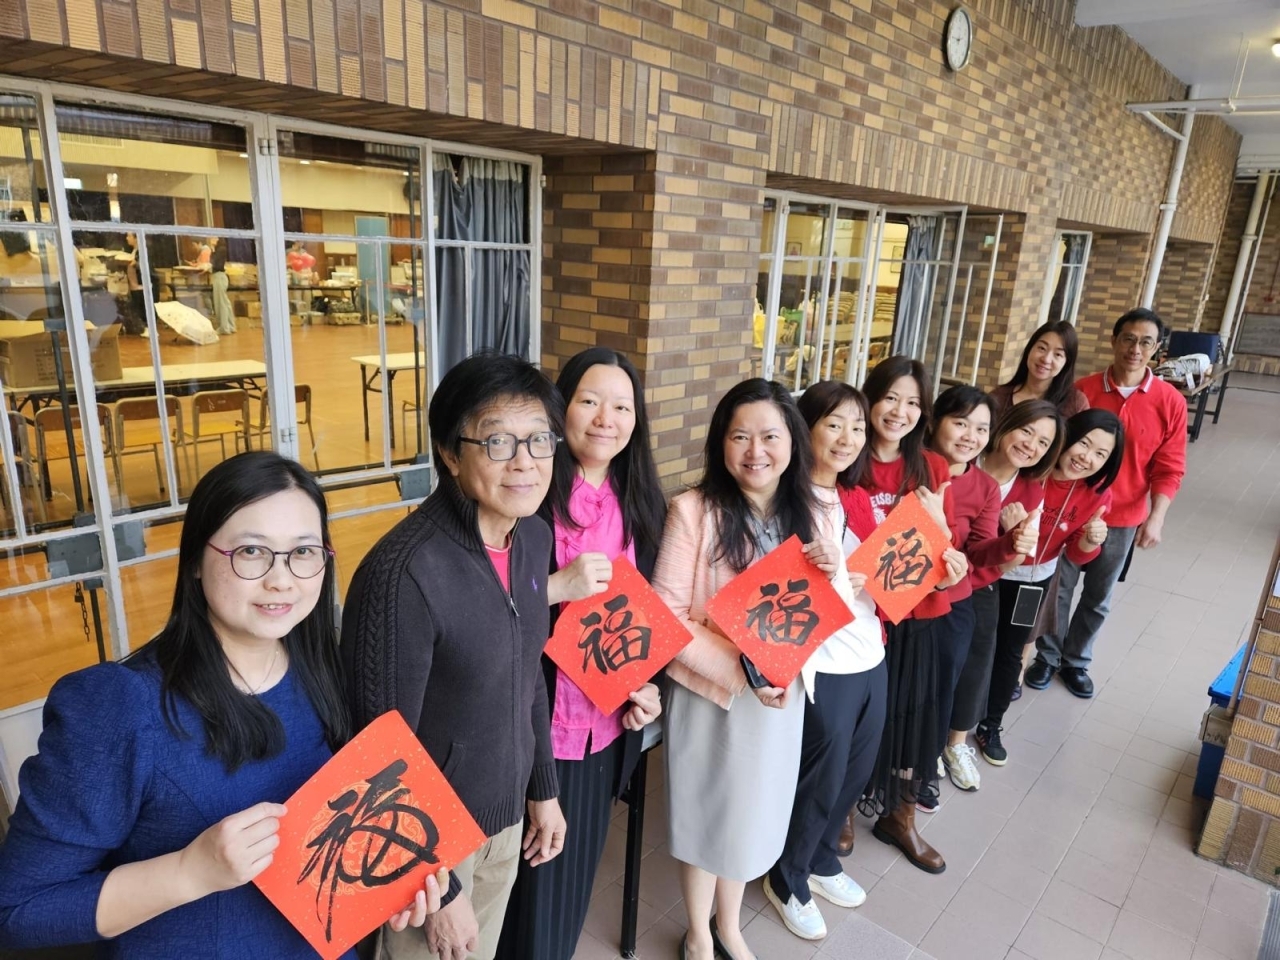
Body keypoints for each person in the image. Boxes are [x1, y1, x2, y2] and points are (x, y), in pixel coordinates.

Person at [0, 451, 446, 958]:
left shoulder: (322, 665)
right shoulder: (120, 706)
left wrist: (387, 883)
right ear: (195, 559)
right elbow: (18, 909)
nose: (282, 579)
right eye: (252, 551)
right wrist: (188, 871)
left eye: (303, 551)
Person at [342, 354, 568, 960]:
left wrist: (543, 787)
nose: (525, 461)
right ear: (449, 452)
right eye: (497, 442)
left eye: (539, 439)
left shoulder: (532, 536)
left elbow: (528, 671)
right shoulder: (403, 574)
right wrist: (438, 888)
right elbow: (377, 750)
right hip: (429, 851)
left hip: (505, 820)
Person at [651, 378, 846, 960]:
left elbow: (825, 609)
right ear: (721, 443)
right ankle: (697, 932)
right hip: (713, 693)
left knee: (752, 816)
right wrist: (743, 670)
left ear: (793, 441)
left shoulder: (814, 510)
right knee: (705, 815)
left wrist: (835, 570)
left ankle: (729, 924)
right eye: (739, 436)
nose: (755, 451)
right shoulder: (693, 511)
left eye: (769, 436)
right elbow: (664, 616)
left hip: (781, 696)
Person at [496, 348, 666, 960]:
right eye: (590, 401)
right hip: (530, 726)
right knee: (519, 893)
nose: (605, 419)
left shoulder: (642, 503)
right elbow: (481, 605)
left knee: (569, 883)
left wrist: (648, 687)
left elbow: (648, 617)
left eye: (622, 407)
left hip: (605, 728)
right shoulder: (525, 492)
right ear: (559, 408)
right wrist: (554, 588)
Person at [762, 381, 887, 942]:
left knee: (857, 767)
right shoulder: (784, 502)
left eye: (857, 427)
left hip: (869, 649)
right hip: (822, 660)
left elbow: (881, 574)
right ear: (804, 428)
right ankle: (787, 876)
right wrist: (835, 575)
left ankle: (820, 857)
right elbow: (776, 597)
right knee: (821, 774)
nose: (847, 438)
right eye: (834, 424)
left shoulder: (855, 498)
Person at [1029, 308, 1187, 698]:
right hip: (1070, 509)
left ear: (1157, 348)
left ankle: (1076, 661)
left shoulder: (1170, 401)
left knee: (1098, 597)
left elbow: (1170, 466)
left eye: (1146, 342)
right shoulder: (1082, 392)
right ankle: (1047, 657)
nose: (1136, 349)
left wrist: (1156, 517)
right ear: (1114, 340)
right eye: (1128, 339)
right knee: (1058, 589)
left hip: (1123, 518)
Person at [850, 356, 968, 875]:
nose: (900, 411)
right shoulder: (847, 456)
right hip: (860, 616)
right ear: (870, 398)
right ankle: (843, 807)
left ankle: (900, 815)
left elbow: (949, 548)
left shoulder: (932, 466)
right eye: (891, 398)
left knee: (913, 714)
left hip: (919, 613)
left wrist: (942, 528)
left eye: (914, 402)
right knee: (859, 718)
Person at [979, 411, 1123, 760]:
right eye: (1084, 443)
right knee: (976, 647)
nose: (1086, 457)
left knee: (1011, 652)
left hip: (1033, 580)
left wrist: (1091, 540)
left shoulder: (1096, 495)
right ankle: (954, 722)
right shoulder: (1028, 470)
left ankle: (991, 725)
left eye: (1100, 454)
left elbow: (1076, 553)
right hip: (988, 572)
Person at [926, 387, 1038, 796]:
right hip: (900, 598)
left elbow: (978, 550)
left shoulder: (986, 486)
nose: (970, 436)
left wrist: (1011, 542)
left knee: (955, 675)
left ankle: (935, 753)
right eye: (960, 423)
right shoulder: (912, 470)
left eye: (980, 428)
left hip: (956, 595)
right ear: (936, 421)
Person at [952, 401, 1065, 770]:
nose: (1031, 445)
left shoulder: (1032, 490)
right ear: (1006, 427)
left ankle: (985, 728)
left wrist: (1011, 535)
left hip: (1004, 580)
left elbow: (1016, 558)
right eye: (1026, 431)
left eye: (1043, 443)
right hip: (947, 578)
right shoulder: (966, 457)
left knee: (1003, 653)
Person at [988, 320, 1088, 420]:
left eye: (1058, 354)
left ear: (1067, 363)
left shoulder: (1076, 403)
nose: (1046, 359)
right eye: (1042, 348)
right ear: (1029, 349)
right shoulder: (998, 398)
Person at [208, 237, 235, 335]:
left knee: (220, 303)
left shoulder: (221, 249)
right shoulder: (221, 249)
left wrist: (212, 249)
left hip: (219, 276)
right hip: (221, 277)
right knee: (225, 303)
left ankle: (224, 327)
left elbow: (214, 263)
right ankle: (230, 326)